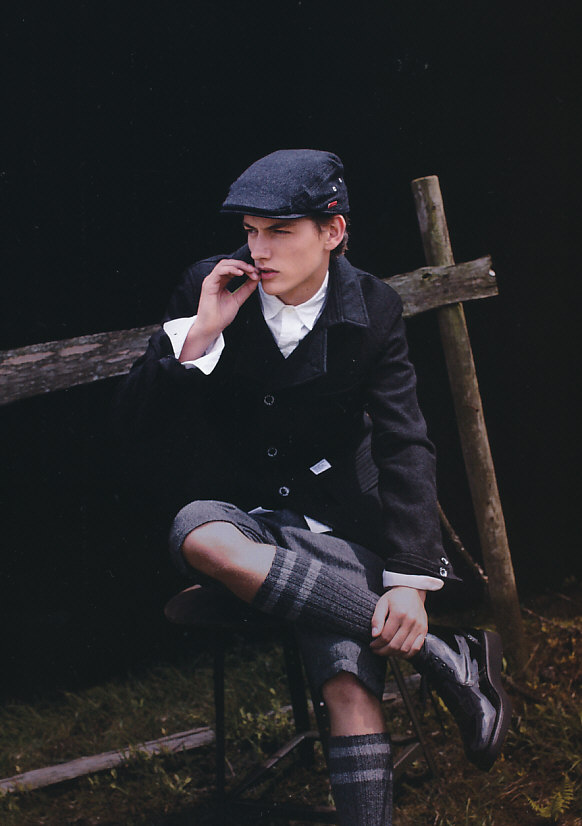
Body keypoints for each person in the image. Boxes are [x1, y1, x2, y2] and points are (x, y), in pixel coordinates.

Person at [114, 149, 511, 825]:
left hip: (342, 525)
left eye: (280, 231)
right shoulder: (210, 287)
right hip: (246, 520)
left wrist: (411, 581)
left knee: (347, 683)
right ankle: (447, 656)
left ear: (333, 232)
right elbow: (133, 426)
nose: (258, 250)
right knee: (198, 535)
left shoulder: (373, 306)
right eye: (251, 231)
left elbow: (404, 442)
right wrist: (202, 333)